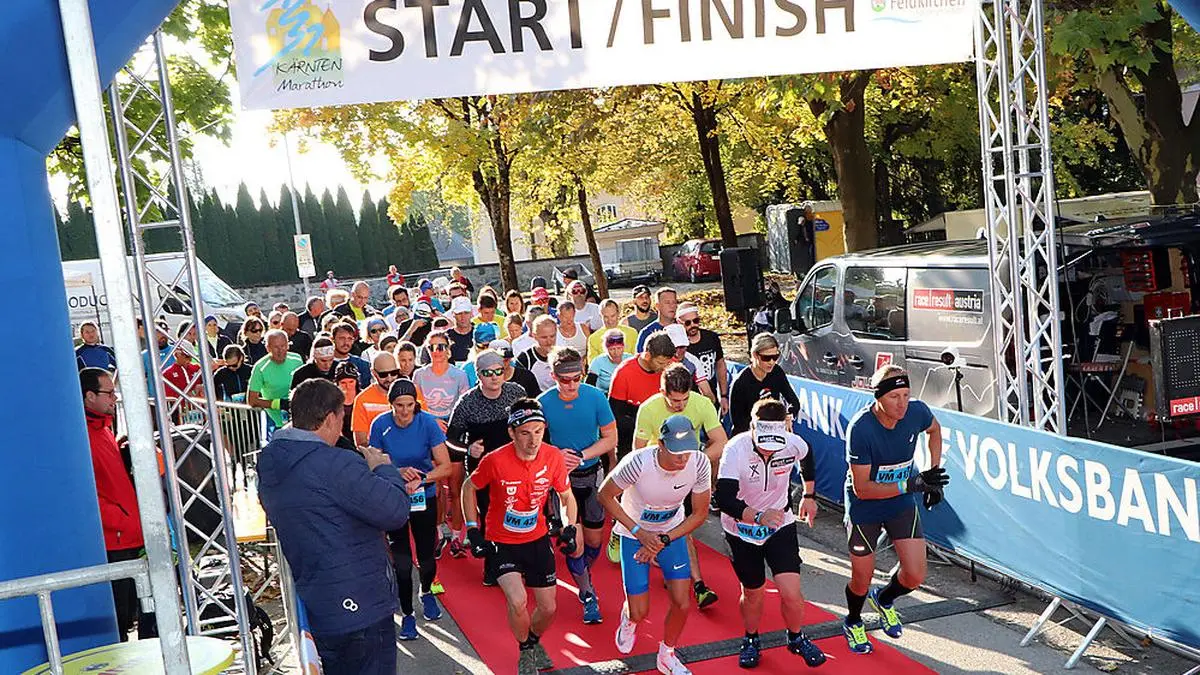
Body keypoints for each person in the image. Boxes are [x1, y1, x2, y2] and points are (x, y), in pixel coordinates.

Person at [257, 379, 410, 675]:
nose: (342, 427)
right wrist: (382, 468)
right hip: (360, 606)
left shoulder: (271, 459)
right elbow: (395, 511)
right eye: (342, 418)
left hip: (321, 600)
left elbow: (325, 505)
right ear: (330, 418)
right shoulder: (335, 464)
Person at [462, 398, 579, 675]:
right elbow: (469, 486)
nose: (532, 440)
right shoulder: (494, 460)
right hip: (501, 542)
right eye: (525, 433)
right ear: (512, 433)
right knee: (517, 601)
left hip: (537, 539)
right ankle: (526, 649)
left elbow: (566, 497)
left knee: (548, 608)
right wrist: (472, 528)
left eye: (538, 432)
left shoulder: (552, 457)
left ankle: (534, 641)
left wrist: (569, 526)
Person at [841, 366, 948, 655]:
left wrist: (933, 476)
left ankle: (885, 598)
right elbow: (863, 489)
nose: (902, 404)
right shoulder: (861, 428)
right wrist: (912, 483)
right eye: (894, 397)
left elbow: (935, 430)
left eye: (906, 395)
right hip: (865, 506)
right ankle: (853, 620)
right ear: (878, 398)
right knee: (861, 578)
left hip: (900, 501)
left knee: (914, 575)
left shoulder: (916, 412)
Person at [716, 399, 826, 668]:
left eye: (774, 443)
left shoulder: (793, 442)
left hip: (780, 524)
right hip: (741, 529)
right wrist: (757, 516)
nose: (768, 449)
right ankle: (751, 638)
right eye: (763, 441)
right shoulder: (735, 449)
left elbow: (807, 455)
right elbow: (724, 498)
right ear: (753, 428)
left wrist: (809, 495)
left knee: (791, 591)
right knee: (753, 591)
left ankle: (796, 637)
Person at [598, 415, 710, 675]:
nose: (683, 459)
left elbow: (700, 513)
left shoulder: (700, 462)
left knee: (682, 602)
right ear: (661, 444)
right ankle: (629, 619)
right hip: (632, 533)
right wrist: (639, 532)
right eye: (676, 453)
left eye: (687, 452)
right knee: (640, 612)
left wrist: (663, 539)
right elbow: (605, 494)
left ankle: (667, 653)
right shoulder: (638, 462)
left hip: (671, 533)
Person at [632, 363, 726, 608]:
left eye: (684, 399)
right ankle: (676, 570)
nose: (680, 405)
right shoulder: (649, 408)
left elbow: (720, 441)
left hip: (685, 471)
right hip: (655, 474)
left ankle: (698, 585)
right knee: (664, 530)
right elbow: (637, 452)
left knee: (685, 528)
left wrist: (696, 462)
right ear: (663, 392)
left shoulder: (702, 403)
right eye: (674, 400)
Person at [537, 347, 617, 624]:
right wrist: (555, 454)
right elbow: (530, 442)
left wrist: (583, 454)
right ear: (553, 376)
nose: (571, 385)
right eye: (564, 379)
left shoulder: (595, 396)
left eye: (576, 378)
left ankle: (583, 573)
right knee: (574, 541)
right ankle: (587, 594)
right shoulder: (543, 402)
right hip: (561, 483)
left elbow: (611, 438)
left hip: (591, 475)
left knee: (594, 540)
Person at [369, 378, 451, 639]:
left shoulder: (426, 422)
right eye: (398, 406)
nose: (404, 412)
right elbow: (372, 464)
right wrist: (396, 473)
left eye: (409, 405)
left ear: (416, 404)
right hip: (394, 498)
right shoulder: (380, 425)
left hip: (423, 496)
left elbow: (445, 466)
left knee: (426, 556)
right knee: (402, 562)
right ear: (390, 404)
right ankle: (407, 614)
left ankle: (426, 592)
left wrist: (421, 479)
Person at [81, 367, 157, 641]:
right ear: (89, 396)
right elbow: (88, 495)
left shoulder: (104, 429)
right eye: (109, 393)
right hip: (115, 540)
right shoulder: (83, 437)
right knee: (121, 621)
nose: (114, 398)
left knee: (139, 614)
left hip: (128, 535)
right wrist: (121, 520)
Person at [443, 349, 529, 570]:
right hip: (482, 469)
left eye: (498, 371)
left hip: (516, 464)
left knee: (519, 511)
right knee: (490, 516)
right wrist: (467, 448)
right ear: (479, 375)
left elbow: (530, 424)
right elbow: (450, 439)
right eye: (488, 373)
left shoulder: (517, 392)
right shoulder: (467, 402)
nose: (494, 377)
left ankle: (521, 562)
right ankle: (494, 566)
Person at [609, 332, 676, 462]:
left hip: (667, 431)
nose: (664, 367)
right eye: (660, 363)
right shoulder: (624, 373)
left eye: (667, 363)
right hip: (633, 432)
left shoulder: (671, 367)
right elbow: (616, 414)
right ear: (647, 355)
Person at [728, 334, 802, 436]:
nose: (771, 362)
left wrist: (789, 415)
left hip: (773, 430)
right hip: (748, 434)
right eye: (766, 358)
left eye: (775, 357)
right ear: (755, 355)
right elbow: (738, 422)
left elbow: (794, 402)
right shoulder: (740, 382)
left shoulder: (777, 372)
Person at [248, 329, 304, 431]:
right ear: (268, 348)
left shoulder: (297, 360)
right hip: (275, 422)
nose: (280, 350)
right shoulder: (260, 367)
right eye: (276, 347)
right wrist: (279, 404)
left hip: (298, 420)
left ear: (288, 345)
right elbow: (252, 400)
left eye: (283, 346)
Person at [679, 303, 729, 414]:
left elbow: (720, 365)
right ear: (679, 323)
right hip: (688, 402)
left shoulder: (711, 338)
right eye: (687, 323)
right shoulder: (680, 346)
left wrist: (724, 395)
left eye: (696, 321)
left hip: (710, 397)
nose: (693, 325)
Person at [352, 351, 404, 446]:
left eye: (393, 373)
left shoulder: (413, 392)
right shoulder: (362, 400)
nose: (389, 378)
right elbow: (361, 442)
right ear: (373, 373)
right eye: (383, 375)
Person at [665, 324, 713, 400]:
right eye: (674, 348)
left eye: (682, 347)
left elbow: (706, 391)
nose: (678, 353)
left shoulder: (693, 361)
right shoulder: (660, 360)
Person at [516, 315, 558, 391]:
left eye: (552, 336)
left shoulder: (563, 356)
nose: (549, 341)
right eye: (544, 337)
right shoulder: (525, 359)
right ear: (534, 336)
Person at [588, 329, 633, 395]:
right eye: (612, 349)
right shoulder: (598, 361)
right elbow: (589, 385)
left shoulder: (630, 359)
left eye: (619, 348)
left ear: (623, 347)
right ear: (606, 349)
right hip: (604, 395)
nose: (616, 352)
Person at [331, 322, 372, 391]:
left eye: (350, 339)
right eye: (342, 338)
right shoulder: (325, 364)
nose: (346, 343)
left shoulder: (363, 365)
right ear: (333, 339)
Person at [636, 287, 679, 351]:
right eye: (667, 302)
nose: (672, 306)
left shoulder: (683, 327)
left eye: (674, 302)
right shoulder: (647, 332)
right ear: (657, 306)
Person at [447, 297, 477, 363]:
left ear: (471, 313)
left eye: (466, 313)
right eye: (459, 313)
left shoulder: (479, 334)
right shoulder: (446, 337)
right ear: (453, 314)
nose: (463, 317)